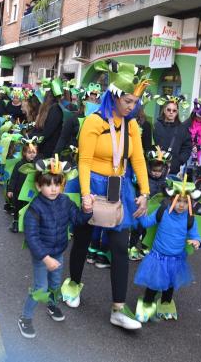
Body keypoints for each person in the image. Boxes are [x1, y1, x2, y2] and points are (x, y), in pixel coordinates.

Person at [62, 60, 150, 330]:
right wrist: (86, 194)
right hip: (92, 186)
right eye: (127, 100)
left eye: (135, 101)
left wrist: (145, 192)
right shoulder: (93, 121)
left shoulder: (132, 126)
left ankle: (118, 309)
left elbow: (139, 160)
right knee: (83, 239)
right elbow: (84, 161)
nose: (131, 106)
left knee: (120, 248)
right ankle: (74, 284)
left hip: (119, 187)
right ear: (113, 96)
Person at [18, 157, 93, 339]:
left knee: (54, 284)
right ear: (38, 186)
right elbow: (32, 238)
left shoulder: (65, 202)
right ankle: (25, 318)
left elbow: (78, 220)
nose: (53, 189)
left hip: (58, 252)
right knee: (40, 287)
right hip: (42, 256)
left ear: (63, 184)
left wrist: (87, 209)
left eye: (57, 184)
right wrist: (45, 258)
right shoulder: (34, 208)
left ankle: (51, 306)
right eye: (48, 184)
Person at [134, 178, 201, 322]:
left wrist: (197, 241)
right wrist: (140, 212)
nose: (181, 205)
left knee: (170, 285)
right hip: (158, 257)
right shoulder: (162, 212)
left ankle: (165, 304)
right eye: (179, 200)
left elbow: (195, 234)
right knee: (154, 283)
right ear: (172, 199)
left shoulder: (190, 219)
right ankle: (146, 304)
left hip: (176, 259)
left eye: (185, 202)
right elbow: (146, 223)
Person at [6, 136, 39, 232]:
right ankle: (16, 222)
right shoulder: (19, 164)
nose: (32, 155)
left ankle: (27, 223)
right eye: (29, 152)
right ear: (24, 153)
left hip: (30, 191)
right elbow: (13, 178)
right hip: (18, 191)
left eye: (34, 152)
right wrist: (10, 190)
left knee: (29, 207)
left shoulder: (36, 166)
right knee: (18, 207)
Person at [153, 96, 192, 175]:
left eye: (174, 110)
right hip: (154, 168)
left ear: (177, 112)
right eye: (169, 110)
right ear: (164, 110)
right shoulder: (156, 126)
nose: (171, 112)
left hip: (172, 170)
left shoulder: (182, 129)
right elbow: (149, 145)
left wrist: (178, 162)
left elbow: (187, 148)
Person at [35, 80, 65, 158]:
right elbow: (40, 128)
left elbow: (48, 131)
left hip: (49, 149)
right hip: (44, 147)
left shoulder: (55, 108)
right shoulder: (47, 107)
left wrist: (37, 140)